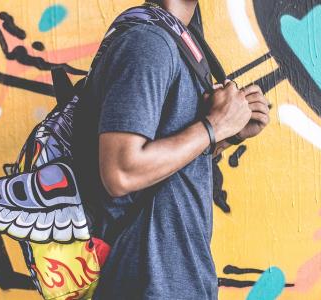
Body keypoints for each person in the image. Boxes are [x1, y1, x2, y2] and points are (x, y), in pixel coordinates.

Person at [72, 0, 271, 299]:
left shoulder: (176, 42)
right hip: (147, 284)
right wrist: (213, 126)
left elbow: (166, 170)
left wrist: (226, 135)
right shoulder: (149, 43)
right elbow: (120, 172)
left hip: (176, 281)